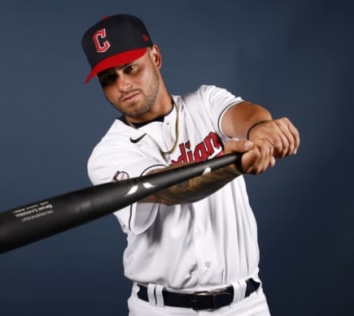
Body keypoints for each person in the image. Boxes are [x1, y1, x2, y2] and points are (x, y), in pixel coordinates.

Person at [81, 14, 300, 316]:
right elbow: (166, 190)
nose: (123, 85)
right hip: (163, 309)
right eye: (109, 79)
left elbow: (245, 114)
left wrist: (260, 131)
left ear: (155, 56)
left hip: (246, 305)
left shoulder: (205, 102)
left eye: (130, 68)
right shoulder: (107, 155)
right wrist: (230, 165)